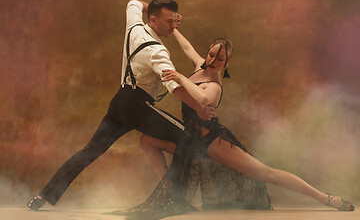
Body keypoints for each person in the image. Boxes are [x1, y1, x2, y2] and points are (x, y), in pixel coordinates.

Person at [108, 28, 354, 219]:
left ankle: (325, 198)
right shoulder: (200, 66)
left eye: (220, 58)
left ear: (227, 63)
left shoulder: (214, 85)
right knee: (146, 140)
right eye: (211, 54)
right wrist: (174, 30)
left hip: (212, 142)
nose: (213, 59)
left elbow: (203, 98)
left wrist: (180, 77)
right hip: (191, 141)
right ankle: (172, 191)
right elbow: (187, 48)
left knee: (266, 173)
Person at [27, 0, 214, 211]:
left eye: (175, 21)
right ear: (153, 20)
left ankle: (42, 197)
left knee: (90, 151)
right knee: (187, 138)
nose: (174, 26)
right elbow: (176, 87)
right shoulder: (158, 51)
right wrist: (199, 107)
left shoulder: (134, 27)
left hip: (120, 101)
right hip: (138, 107)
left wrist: (158, 10)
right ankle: (171, 198)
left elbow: (133, 3)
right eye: (169, 22)